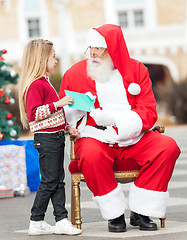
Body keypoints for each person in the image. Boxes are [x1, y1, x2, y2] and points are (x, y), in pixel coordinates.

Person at [59, 24, 181, 233]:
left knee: (168, 146)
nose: (93, 53)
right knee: (89, 154)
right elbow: (64, 110)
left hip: (134, 136)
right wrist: (72, 125)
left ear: (113, 49)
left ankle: (142, 210)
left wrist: (115, 119)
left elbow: (148, 111)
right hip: (95, 135)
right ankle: (114, 214)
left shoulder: (137, 70)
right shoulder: (75, 73)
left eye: (99, 49)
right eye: (91, 48)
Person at [19, 39, 81, 236]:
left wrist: (67, 127)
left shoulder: (44, 83)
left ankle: (61, 220)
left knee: (57, 181)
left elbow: (51, 118)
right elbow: (34, 114)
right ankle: (36, 220)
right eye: (53, 57)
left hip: (54, 137)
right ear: (41, 59)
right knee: (49, 182)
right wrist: (60, 103)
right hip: (47, 141)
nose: (56, 60)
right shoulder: (36, 85)